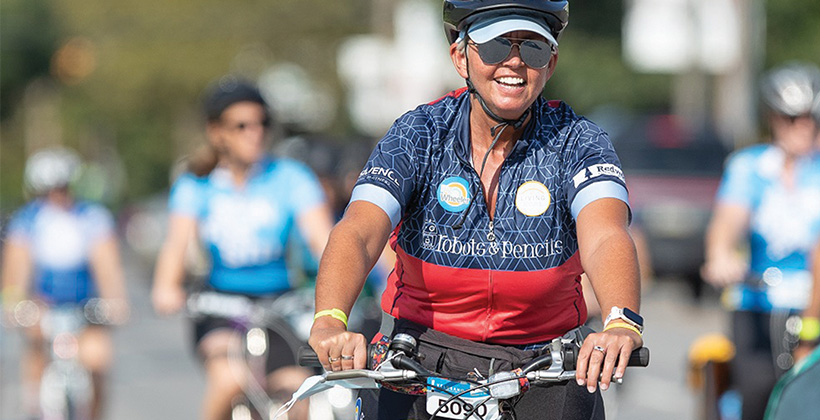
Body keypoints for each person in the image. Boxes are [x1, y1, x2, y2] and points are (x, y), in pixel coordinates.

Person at [307, 1, 644, 418]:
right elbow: (359, 230)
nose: (516, 62)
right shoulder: (419, 134)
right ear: (460, 57)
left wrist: (620, 322)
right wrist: (329, 319)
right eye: (496, 46)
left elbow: (606, 234)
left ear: (551, 63)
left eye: (534, 48)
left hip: (543, 362)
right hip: (418, 355)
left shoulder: (579, 142)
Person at [150, 76, 334, 420]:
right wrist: (166, 287)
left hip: (281, 303)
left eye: (263, 123)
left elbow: (325, 241)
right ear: (216, 131)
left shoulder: (291, 177)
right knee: (229, 379)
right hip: (221, 305)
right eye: (242, 125)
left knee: (299, 395)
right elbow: (176, 245)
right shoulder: (196, 183)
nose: (256, 132)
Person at [701, 62, 820, 420]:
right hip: (756, 302)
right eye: (792, 118)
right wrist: (721, 255)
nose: (803, 127)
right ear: (774, 119)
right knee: (754, 395)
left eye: (811, 118)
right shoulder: (750, 166)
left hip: (811, 302)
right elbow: (728, 222)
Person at [1, 146, 129, 419]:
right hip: (44, 305)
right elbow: (16, 269)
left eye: (62, 186)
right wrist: (13, 304)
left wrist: (116, 300)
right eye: (49, 188)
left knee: (97, 362)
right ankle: (35, 406)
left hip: (84, 305)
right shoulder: (27, 221)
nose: (57, 194)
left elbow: (107, 266)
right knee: (36, 345)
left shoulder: (92, 218)